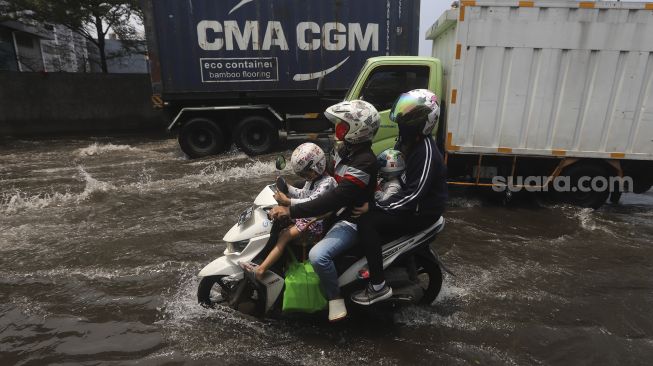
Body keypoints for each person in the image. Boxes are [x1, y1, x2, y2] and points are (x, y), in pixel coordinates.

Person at [270, 100, 380, 321]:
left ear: (357, 129)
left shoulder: (364, 162)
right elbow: (322, 179)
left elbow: (334, 198)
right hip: (336, 213)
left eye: (343, 124)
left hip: (350, 220)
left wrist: (291, 210)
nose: (338, 128)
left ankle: (334, 298)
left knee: (318, 256)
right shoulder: (346, 151)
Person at [350, 89, 448, 306]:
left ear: (424, 121)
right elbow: (389, 168)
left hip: (420, 212)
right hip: (404, 201)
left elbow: (413, 195)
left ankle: (377, 285)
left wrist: (376, 205)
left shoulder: (426, 151)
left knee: (367, 221)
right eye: (404, 114)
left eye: (410, 116)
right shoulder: (405, 141)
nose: (403, 120)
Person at [247, 143, 336, 281]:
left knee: (284, 237)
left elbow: (312, 202)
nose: (305, 176)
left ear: (317, 166)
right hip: (306, 215)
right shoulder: (312, 180)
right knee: (277, 222)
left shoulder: (328, 182)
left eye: (306, 173)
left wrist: (288, 202)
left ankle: (261, 269)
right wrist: (287, 188)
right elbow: (303, 193)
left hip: (316, 221)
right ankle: (271, 260)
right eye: (302, 174)